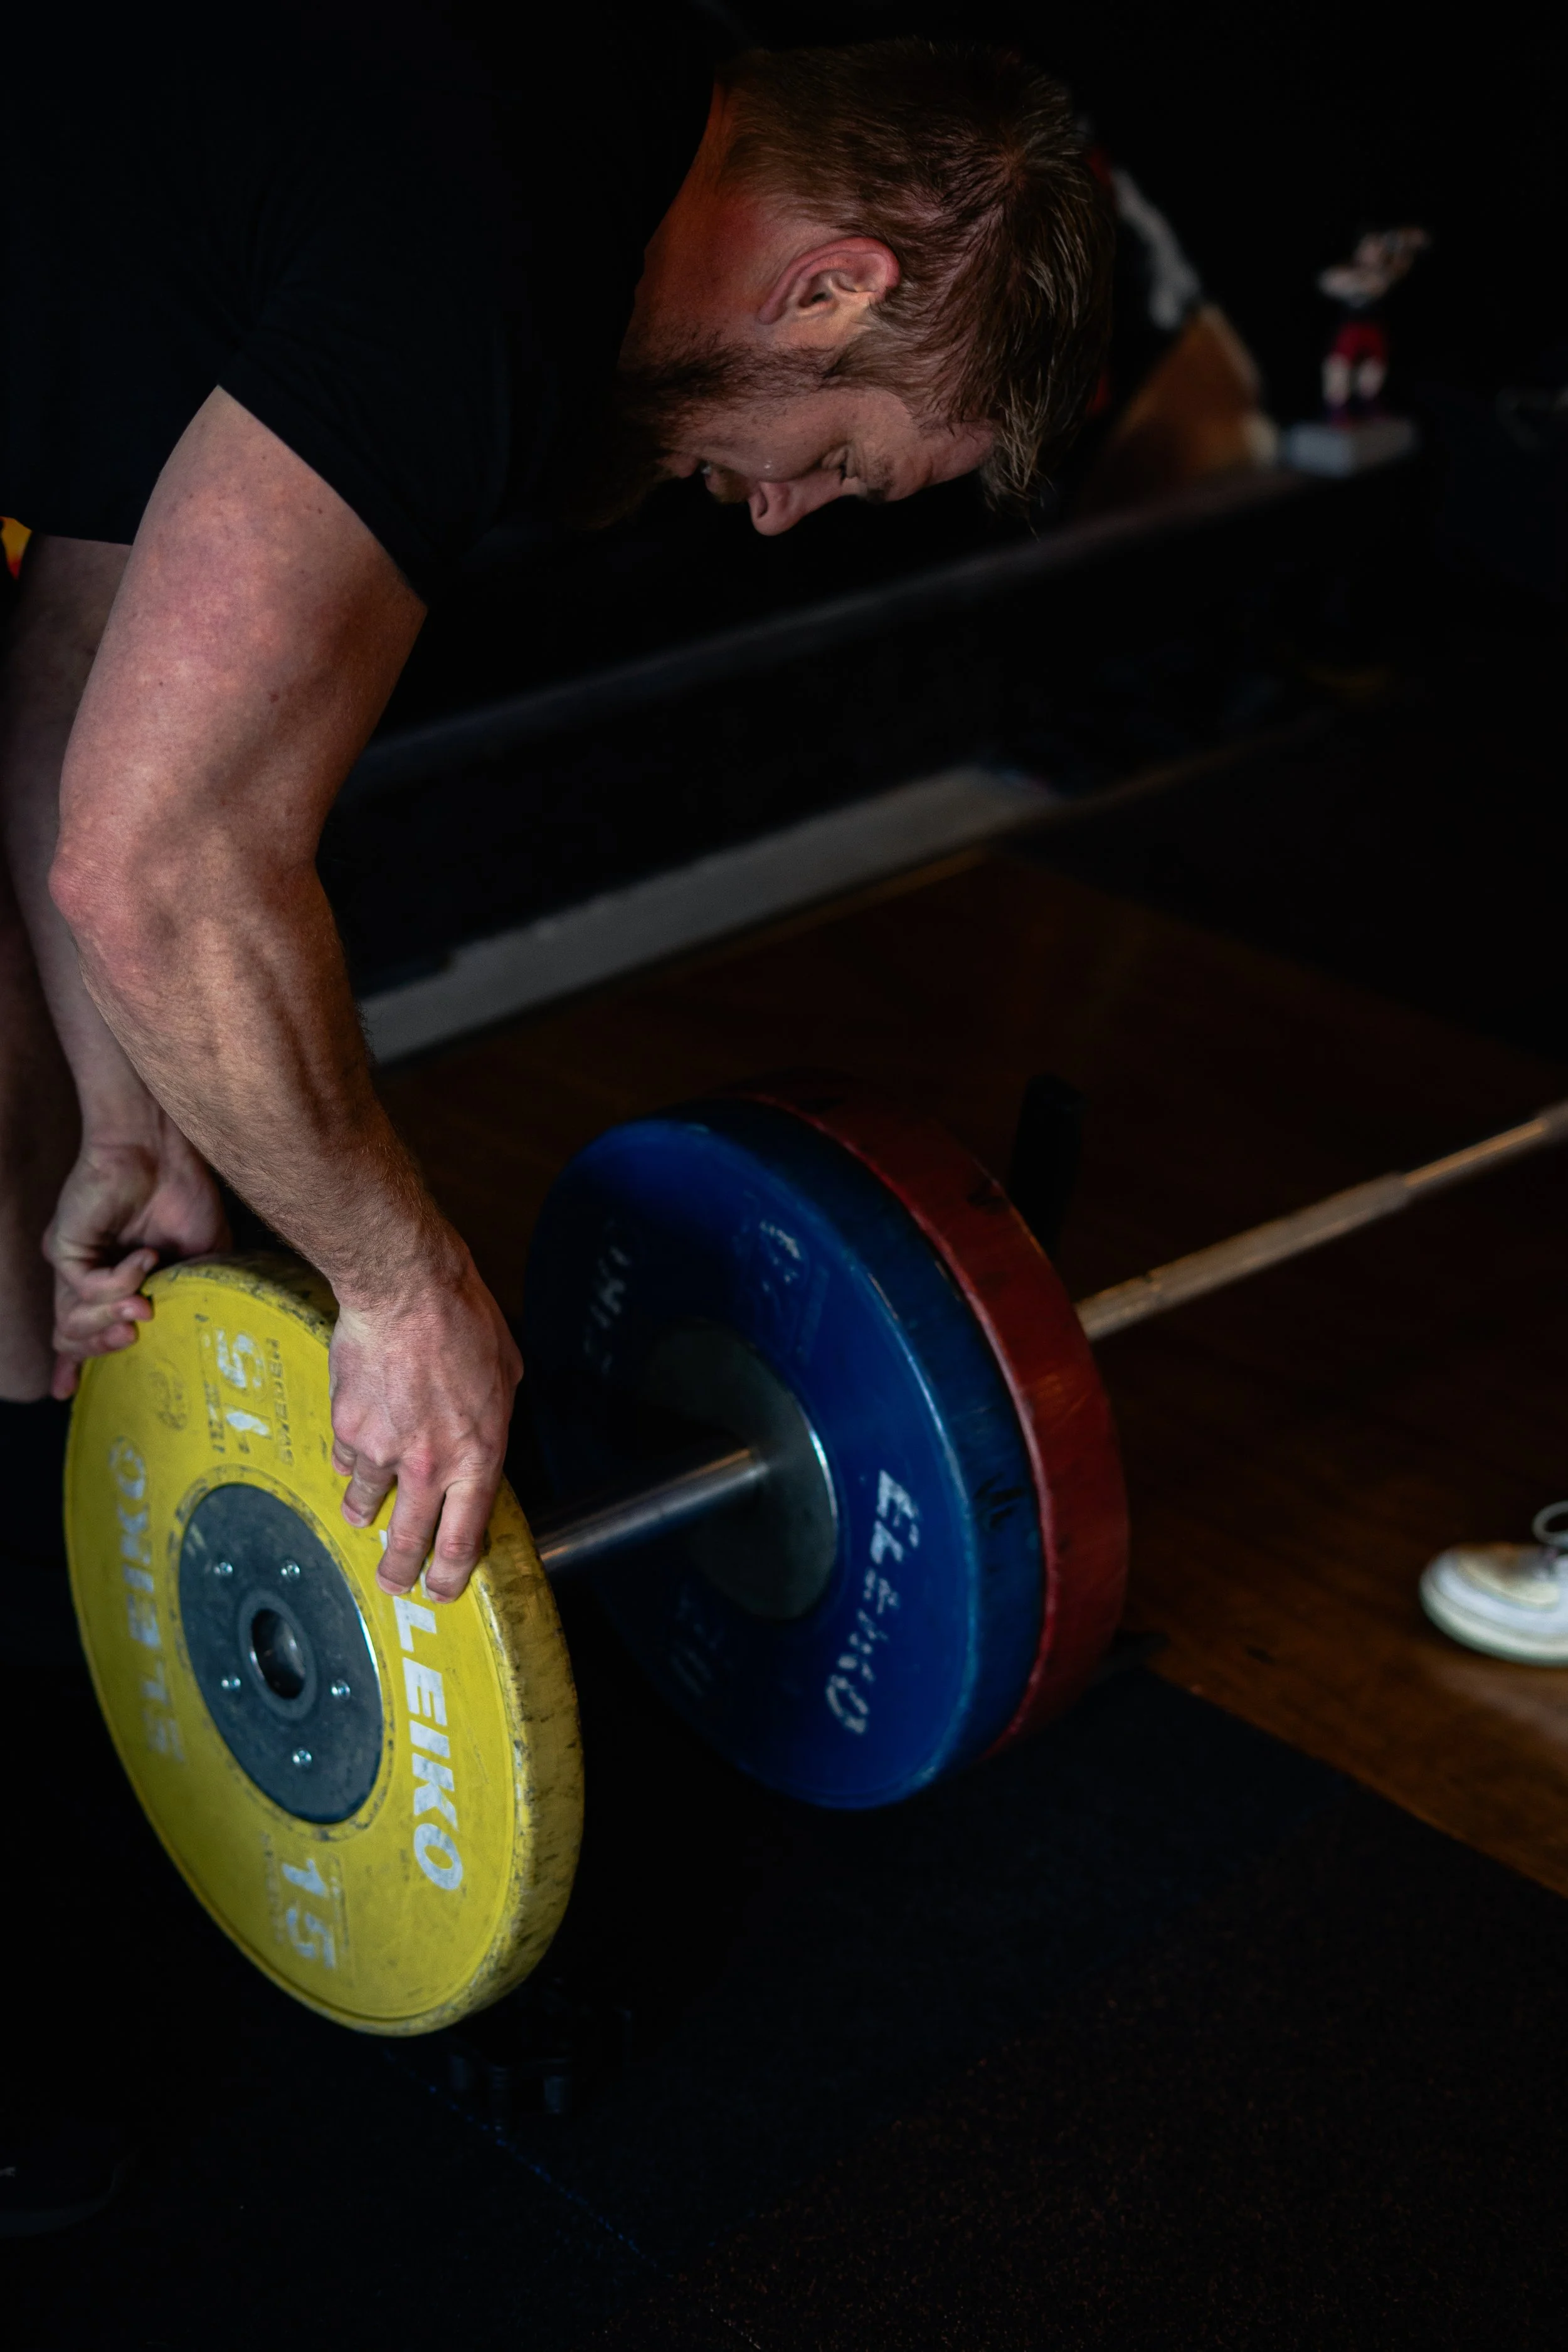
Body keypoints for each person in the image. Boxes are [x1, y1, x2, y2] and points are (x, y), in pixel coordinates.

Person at [0, 3, 1111, 1641]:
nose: (781, 510)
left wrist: (146, 1115)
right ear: (831, 288)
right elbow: (157, 864)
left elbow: (89, 647)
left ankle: (59, 1625)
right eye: (847, 467)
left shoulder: (558, 107)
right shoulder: (499, 258)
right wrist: (397, 1288)